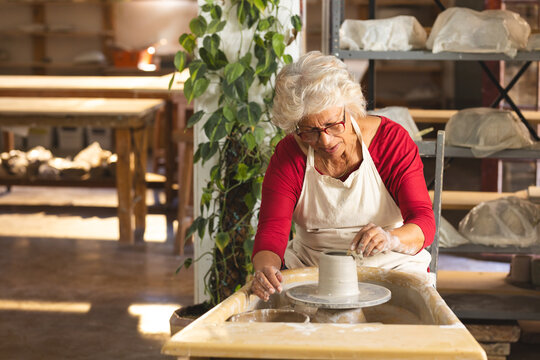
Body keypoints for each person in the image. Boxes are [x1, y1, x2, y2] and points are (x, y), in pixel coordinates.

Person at [250, 51, 435, 301]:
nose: (325, 140)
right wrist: (266, 269)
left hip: (391, 265)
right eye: (310, 131)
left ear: (350, 108)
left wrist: (390, 239)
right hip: (313, 270)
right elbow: (272, 230)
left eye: (334, 124)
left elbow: (423, 221)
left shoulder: (391, 141)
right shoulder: (290, 153)